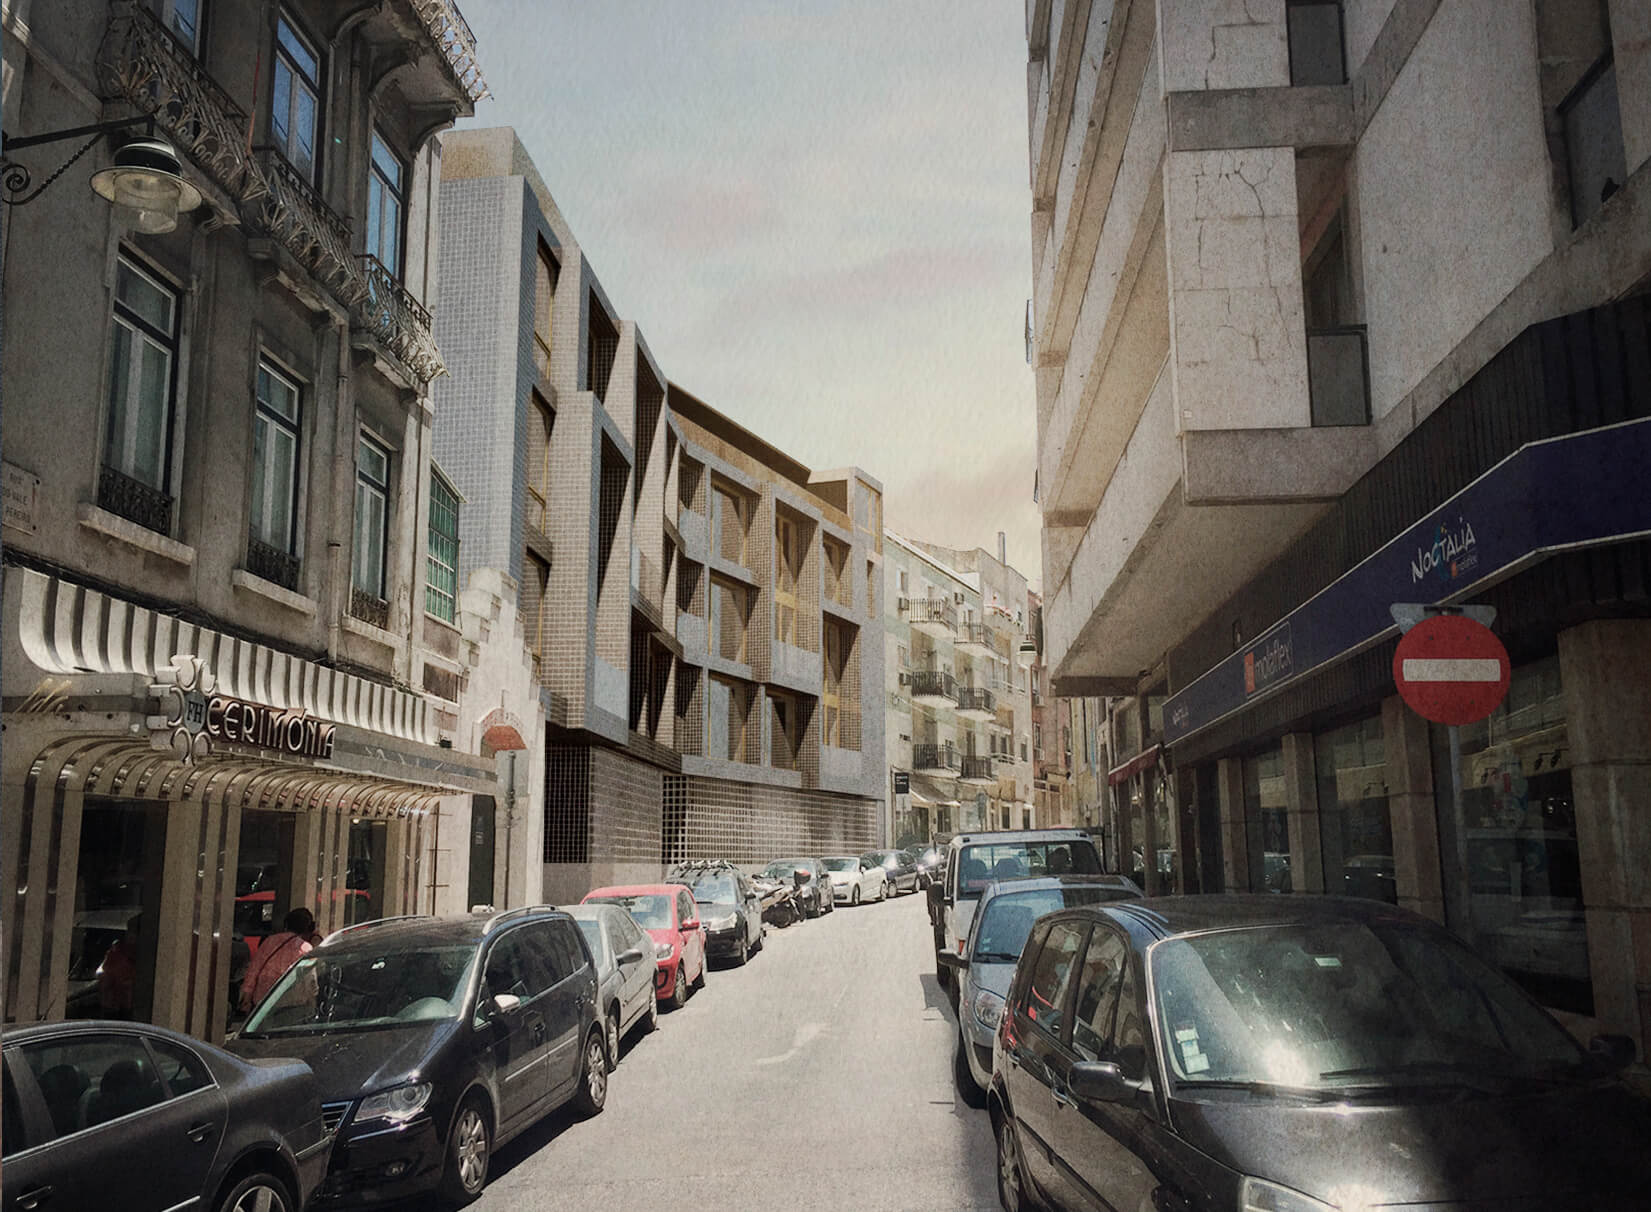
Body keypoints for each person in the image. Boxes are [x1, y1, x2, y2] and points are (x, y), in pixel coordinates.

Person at [239, 907, 322, 1012]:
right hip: (293, 1003)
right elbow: (310, 980)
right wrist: (312, 1002)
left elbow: (254, 969)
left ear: (286, 925)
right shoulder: (305, 947)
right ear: (307, 927)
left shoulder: (269, 941)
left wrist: (246, 997)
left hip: (264, 1001)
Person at [97, 915, 141, 1019]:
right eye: (129, 931)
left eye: (134, 932)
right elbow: (106, 972)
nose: (131, 935)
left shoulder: (143, 955)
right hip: (113, 1006)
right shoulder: (116, 951)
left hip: (131, 1007)